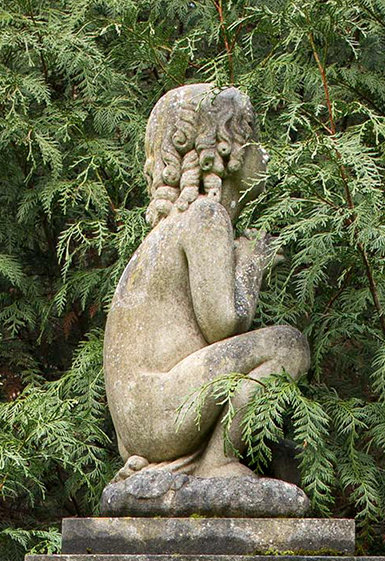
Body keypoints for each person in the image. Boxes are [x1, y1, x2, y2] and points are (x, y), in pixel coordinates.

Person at [103, 84, 310, 499]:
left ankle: (221, 458)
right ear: (225, 149)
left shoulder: (161, 236)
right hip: (162, 408)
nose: (262, 154)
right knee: (289, 346)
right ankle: (217, 461)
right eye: (252, 135)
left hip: (141, 420)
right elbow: (223, 323)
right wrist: (251, 263)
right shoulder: (206, 216)